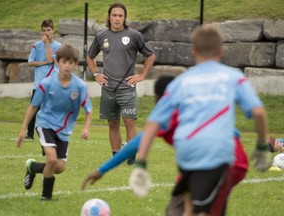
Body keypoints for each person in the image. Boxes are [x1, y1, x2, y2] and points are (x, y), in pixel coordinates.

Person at [129, 25, 271, 216]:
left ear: (193, 51)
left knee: (189, 207)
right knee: (206, 211)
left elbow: (153, 122)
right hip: (217, 153)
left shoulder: (181, 81)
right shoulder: (233, 77)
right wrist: (262, 146)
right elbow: (258, 112)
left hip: (186, 151)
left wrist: (141, 163)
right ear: (221, 51)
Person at [81, 76, 248, 216]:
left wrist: (102, 170)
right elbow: (235, 133)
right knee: (176, 208)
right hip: (198, 166)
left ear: (159, 97)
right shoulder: (184, 111)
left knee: (203, 210)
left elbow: (135, 144)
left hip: (228, 164)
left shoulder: (173, 113)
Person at [16, 45, 92, 200]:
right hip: (45, 124)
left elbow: (88, 110)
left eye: (71, 63)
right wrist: (23, 128)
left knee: (59, 167)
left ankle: (32, 167)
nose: (67, 66)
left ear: (76, 64)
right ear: (57, 62)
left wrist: (86, 128)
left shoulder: (79, 86)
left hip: (64, 130)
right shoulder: (46, 84)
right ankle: (46, 197)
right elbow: (33, 106)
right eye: (64, 62)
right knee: (51, 159)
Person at [87, 2, 156, 165]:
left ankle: (131, 158)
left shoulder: (134, 35)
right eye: (114, 15)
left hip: (127, 88)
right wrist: (96, 74)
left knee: (129, 121)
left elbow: (150, 55)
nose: (117, 18)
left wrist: (142, 75)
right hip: (108, 89)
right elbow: (90, 57)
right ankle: (116, 156)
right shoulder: (101, 36)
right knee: (113, 123)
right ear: (109, 17)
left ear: (124, 18)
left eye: (120, 16)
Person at [25, 19, 62, 140]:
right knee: (33, 108)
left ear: (53, 30)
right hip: (39, 84)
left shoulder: (58, 47)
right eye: (44, 30)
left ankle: (53, 133)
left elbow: (51, 60)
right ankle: (29, 134)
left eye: (49, 30)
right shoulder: (36, 45)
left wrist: (47, 45)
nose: (46, 33)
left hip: (52, 83)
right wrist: (43, 63)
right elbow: (30, 62)